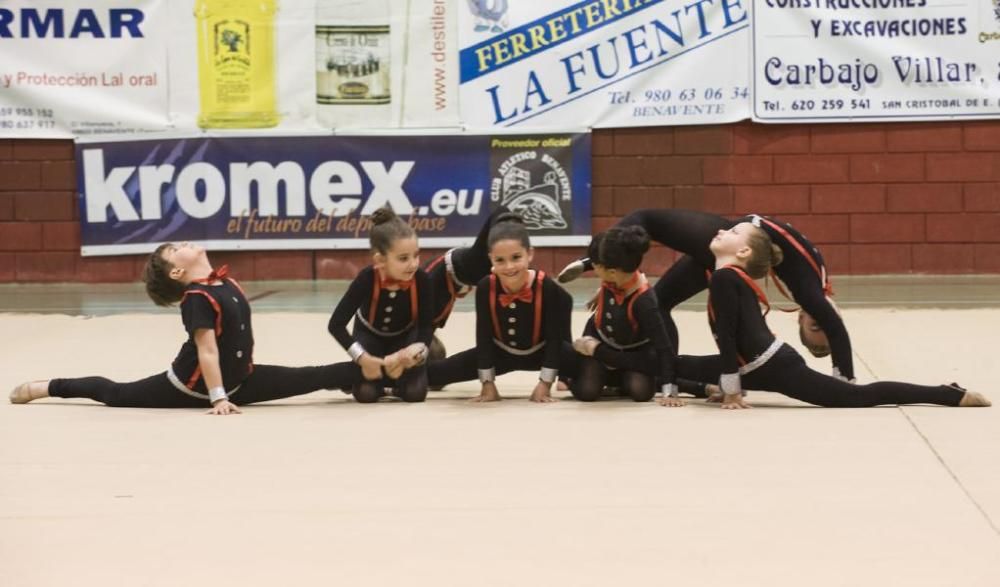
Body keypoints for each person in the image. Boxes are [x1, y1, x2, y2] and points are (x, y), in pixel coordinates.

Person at [663, 220, 991, 409]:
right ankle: (627, 372)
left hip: (773, 367)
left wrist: (731, 385)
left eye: (732, 232)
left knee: (856, 398)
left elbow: (730, 334)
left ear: (744, 251)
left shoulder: (728, 278)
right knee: (663, 365)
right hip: (757, 365)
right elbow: (734, 335)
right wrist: (727, 382)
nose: (719, 231)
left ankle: (946, 394)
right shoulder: (729, 277)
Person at [9, 242, 366, 414]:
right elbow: (207, 350)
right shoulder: (196, 297)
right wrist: (218, 398)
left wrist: (232, 386)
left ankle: (396, 371)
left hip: (242, 378)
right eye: (177, 249)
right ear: (177, 273)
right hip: (192, 387)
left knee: (316, 376)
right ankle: (46, 387)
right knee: (116, 394)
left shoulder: (225, 283)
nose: (186, 243)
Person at [557, 208, 855, 381]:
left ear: (801, 318)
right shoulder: (819, 287)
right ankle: (594, 264)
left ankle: (665, 375)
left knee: (657, 292)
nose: (825, 321)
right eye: (825, 324)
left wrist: (844, 380)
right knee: (647, 230)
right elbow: (836, 329)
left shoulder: (809, 292)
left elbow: (836, 330)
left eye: (815, 327)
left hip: (730, 251)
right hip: (733, 238)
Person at [426, 220, 577, 402]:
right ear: (491, 259)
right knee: (431, 376)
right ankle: (385, 376)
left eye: (516, 257)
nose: (509, 267)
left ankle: (571, 378)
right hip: (500, 355)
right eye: (500, 260)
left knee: (589, 385)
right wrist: (487, 384)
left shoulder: (546, 286)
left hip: (544, 352)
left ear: (529, 254)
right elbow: (483, 337)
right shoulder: (485, 287)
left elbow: (554, 339)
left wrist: (545, 383)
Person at [327, 207, 431, 403]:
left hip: (405, 336)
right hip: (369, 336)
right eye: (403, 258)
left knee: (416, 393)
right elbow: (335, 324)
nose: (413, 264)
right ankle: (370, 380)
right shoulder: (366, 278)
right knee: (365, 394)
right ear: (380, 260)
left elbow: (426, 325)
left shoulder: (422, 280)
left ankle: (393, 384)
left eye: (416, 255)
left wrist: (419, 349)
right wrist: (361, 357)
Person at [570, 227, 683, 404]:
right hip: (600, 340)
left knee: (642, 392)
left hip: (632, 354)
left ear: (612, 272)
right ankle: (574, 376)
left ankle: (617, 380)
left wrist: (670, 390)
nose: (593, 269)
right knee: (587, 391)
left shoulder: (644, 301)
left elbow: (664, 348)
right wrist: (602, 292)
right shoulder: (616, 273)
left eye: (596, 266)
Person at [422, 206, 520, 363]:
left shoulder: (423, 317)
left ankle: (508, 230)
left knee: (501, 214)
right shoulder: (428, 322)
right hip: (456, 275)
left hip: (450, 269)